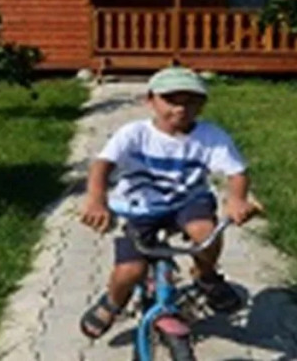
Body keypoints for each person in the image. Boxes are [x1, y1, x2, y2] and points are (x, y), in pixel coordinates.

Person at [78, 66, 258, 339]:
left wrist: (237, 200)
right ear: (150, 101)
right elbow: (102, 166)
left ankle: (205, 275)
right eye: (171, 100)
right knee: (130, 270)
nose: (181, 108)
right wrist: (96, 200)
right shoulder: (134, 134)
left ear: (202, 104)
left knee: (206, 233)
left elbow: (237, 173)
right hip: (139, 207)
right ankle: (113, 301)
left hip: (188, 201)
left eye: (191, 101)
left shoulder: (211, 136)